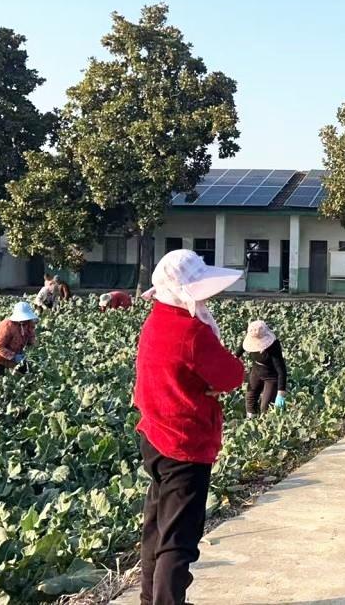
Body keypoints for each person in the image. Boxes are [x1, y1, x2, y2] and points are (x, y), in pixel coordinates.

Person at [133, 250, 245, 605]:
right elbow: (232, 374)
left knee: (157, 527)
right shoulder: (192, 331)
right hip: (184, 442)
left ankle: (150, 599)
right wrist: (209, 384)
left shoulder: (157, 318)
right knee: (179, 540)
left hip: (154, 435)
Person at [236, 320, 289, 418]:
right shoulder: (251, 338)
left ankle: (267, 423)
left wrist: (281, 393)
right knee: (250, 399)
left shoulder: (274, 345)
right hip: (256, 371)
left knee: (265, 407)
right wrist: (231, 361)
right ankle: (251, 422)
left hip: (271, 376)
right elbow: (238, 352)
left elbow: (281, 370)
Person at [0, 301, 39, 377]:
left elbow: (31, 336)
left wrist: (32, 344)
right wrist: (14, 356)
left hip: (16, 353)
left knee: (26, 374)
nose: (24, 320)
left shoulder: (29, 323)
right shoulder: (7, 326)